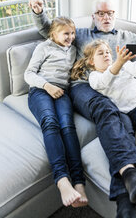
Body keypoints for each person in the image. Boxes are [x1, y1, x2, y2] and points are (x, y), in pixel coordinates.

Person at [29, 0, 136, 218]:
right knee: (106, 111)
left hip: (118, 93)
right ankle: (127, 181)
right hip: (85, 87)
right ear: (94, 16)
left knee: (123, 125)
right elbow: (52, 30)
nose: (106, 17)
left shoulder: (126, 38)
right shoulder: (82, 36)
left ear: (115, 15)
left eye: (110, 13)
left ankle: (124, 205)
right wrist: (39, 13)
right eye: (101, 13)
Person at [24, 16, 88, 208]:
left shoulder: (74, 50)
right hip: (41, 90)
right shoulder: (44, 47)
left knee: (68, 127)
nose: (70, 37)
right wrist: (47, 86)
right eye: (66, 33)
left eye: (72, 33)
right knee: (51, 123)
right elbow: (29, 74)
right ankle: (62, 180)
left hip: (62, 92)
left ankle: (78, 182)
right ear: (53, 34)